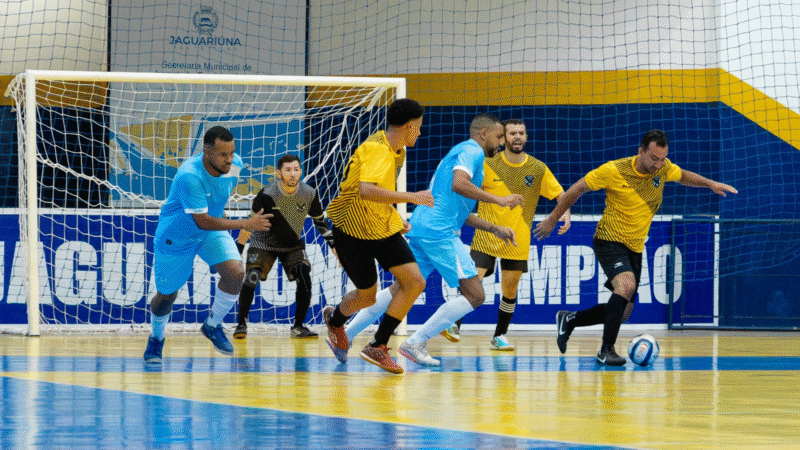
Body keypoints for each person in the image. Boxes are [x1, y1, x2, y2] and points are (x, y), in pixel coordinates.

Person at [533, 129, 737, 365]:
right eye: (654, 158)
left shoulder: (663, 168)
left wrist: (710, 183)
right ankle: (605, 350)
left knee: (624, 312)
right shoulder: (613, 170)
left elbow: (683, 176)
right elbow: (576, 189)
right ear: (640, 152)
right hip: (609, 239)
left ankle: (570, 320)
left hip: (635, 246)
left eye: (663, 159)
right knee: (626, 284)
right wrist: (552, 218)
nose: (659, 164)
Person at [343, 113, 523, 367]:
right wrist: (499, 200)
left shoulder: (462, 153)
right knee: (475, 295)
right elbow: (460, 185)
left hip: (423, 226)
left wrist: (493, 227)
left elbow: (456, 208)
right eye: (499, 136)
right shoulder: (472, 151)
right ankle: (415, 342)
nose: (502, 142)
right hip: (439, 233)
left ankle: (345, 335)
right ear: (483, 133)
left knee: (400, 288)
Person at [322, 98, 434, 374]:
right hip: (351, 230)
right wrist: (412, 197)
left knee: (414, 281)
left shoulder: (397, 151)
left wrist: (396, 218)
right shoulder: (376, 149)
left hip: (381, 227)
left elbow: (380, 193)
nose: (420, 132)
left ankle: (378, 344)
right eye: (418, 127)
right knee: (367, 297)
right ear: (408, 126)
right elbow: (366, 190)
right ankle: (335, 321)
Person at [143, 126, 272, 363]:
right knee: (166, 297)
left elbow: (218, 198)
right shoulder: (189, 176)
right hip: (176, 237)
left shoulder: (235, 165)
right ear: (207, 151)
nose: (229, 159)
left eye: (231, 152)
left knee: (235, 273)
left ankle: (212, 325)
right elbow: (201, 220)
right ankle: (156, 337)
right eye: (222, 154)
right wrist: (246, 223)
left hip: (209, 233)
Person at [448, 119, 571, 351]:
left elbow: (560, 194)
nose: (517, 136)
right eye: (512, 133)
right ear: (503, 138)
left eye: (521, 133)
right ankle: (454, 324)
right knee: (472, 280)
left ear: (526, 137)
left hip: (518, 237)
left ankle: (499, 336)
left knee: (510, 288)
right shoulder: (487, 164)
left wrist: (565, 213)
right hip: (487, 236)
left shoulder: (537, 168)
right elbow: (464, 187)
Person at [232, 154, 335, 340]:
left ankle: (298, 327)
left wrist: (337, 250)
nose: (293, 174)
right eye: (288, 170)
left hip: (292, 245)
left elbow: (321, 223)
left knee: (304, 276)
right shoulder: (267, 194)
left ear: (301, 172)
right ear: (279, 173)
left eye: (296, 170)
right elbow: (248, 224)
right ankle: (241, 324)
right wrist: (237, 252)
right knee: (252, 276)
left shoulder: (309, 193)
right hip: (263, 242)